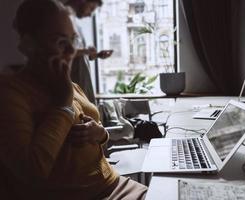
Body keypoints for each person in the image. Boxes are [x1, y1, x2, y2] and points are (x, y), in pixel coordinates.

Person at [0, 0, 147, 199]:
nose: (71, 51)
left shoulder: (70, 84)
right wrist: (63, 107)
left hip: (113, 183)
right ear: (28, 44)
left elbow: (98, 143)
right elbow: (31, 170)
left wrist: (100, 133)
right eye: (60, 42)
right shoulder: (12, 92)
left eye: (73, 40)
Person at [65, 0, 113, 104]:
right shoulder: (63, 19)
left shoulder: (75, 23)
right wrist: (86, 51)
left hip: (82, 82)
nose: (90, 14)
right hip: (72, 84)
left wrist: (96, 55)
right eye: (91, 8)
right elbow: (63, 52)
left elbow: (78, 54)